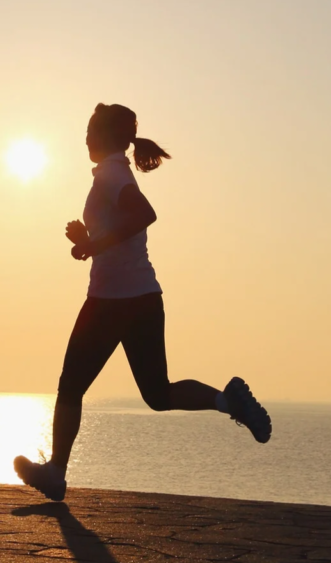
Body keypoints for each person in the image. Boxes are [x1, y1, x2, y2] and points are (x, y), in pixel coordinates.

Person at [14, 103, 272, 502]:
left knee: (70, 386)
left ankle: (56, 474)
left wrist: (92, 244)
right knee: (157, 393)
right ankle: (227, 401)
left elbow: (143, 214)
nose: (84, 138)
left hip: (110, 302)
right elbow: (122, 226)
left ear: (104, 136)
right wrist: (88, 238)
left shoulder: (114, 173)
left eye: (89, 130)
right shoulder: (114, 172)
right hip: (144, 298)